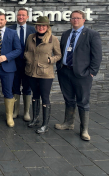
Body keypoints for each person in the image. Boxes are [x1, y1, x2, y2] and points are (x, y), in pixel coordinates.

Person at [55, 10, 102, 141]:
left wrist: (91, 72)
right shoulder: (65, 34)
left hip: (82, 74)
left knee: (83, 102)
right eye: (73, 18)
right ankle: (68, 123)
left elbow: (97, 56)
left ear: (83, 20)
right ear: (70, 20)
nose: (75, 20)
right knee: (69, 99)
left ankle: (84, 130)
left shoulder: (92, 34)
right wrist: (59, 67)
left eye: (78, 18)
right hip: (65, 72)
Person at [24, 16, 61, 134]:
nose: (41, 27)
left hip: (45, 73)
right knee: (35, 96)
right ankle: (35, 119)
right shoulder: (30, 37)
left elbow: (59, 55)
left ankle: (45, 124)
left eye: (43, 25)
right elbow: (26, 51)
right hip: (31, 71)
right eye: (39, 25)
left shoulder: (53, 39)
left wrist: (50, 60)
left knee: (45, 98)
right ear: (36, 26)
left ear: (47, 27)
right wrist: (27, 57)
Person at [8, 8, 35, 121]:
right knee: (15, 87)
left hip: (28, 64)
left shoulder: (33, 30)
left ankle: (26, 112)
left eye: (23, 15)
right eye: (19, 15)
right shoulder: (10, 29)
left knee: (27, 88)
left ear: (27, 17)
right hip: (14, 63)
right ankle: (16, 111)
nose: (21, 17)